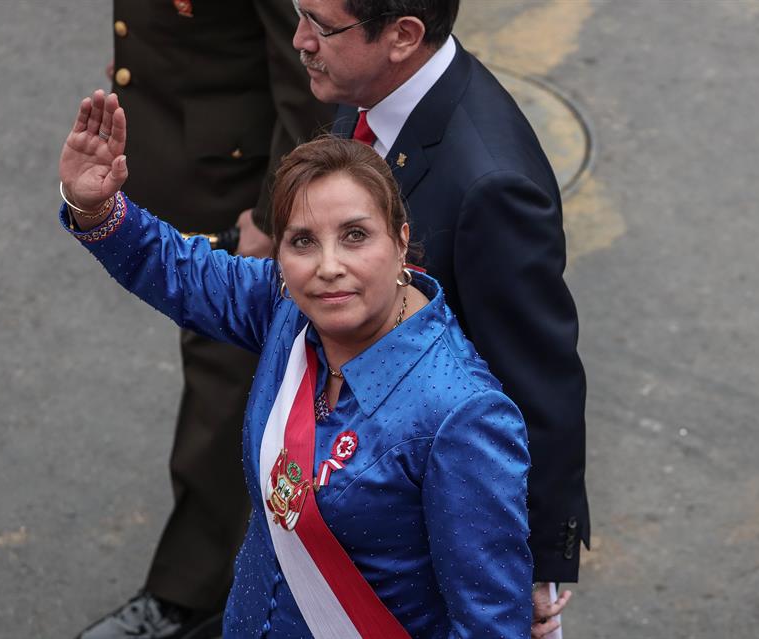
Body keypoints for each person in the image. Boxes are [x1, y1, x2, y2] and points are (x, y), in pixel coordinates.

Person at [58, 89, 534, 637]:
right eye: (303, 241)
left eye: (355, 236)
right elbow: (178, 272)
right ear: (280, 255)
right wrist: (93, 206)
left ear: (401, 242)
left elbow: (491, 625)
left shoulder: (462, 414)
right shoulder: (288, 308)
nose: (328, 266)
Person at [241, 2, 591, 635]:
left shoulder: (492, 183)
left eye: (320, 25)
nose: (300, 41)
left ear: (402, 36)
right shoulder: (367, 88)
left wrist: (536, 567)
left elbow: (537, 378)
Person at [78, 2, 334, 637]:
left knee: (226, 386)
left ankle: (187, 595)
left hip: (244, 184)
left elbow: (311, 73)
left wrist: (281, 212)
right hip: (184, 144)